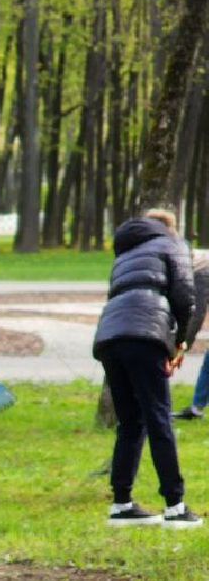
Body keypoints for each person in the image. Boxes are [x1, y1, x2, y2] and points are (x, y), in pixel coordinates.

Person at [93, 208, 200, 527]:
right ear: (170, 228)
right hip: (145, 334)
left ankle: (122, 504)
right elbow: (185, 297)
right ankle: (175, 505)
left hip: (110, 337)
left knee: (130, 421)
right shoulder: (171, 244)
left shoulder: (125, 253)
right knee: (158, 416)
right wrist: (179, 342)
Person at [169, 248, 209, 419]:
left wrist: (181, 347)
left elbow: (196, 314)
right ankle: (196, 408)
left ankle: (196, 408)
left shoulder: (201, 270)